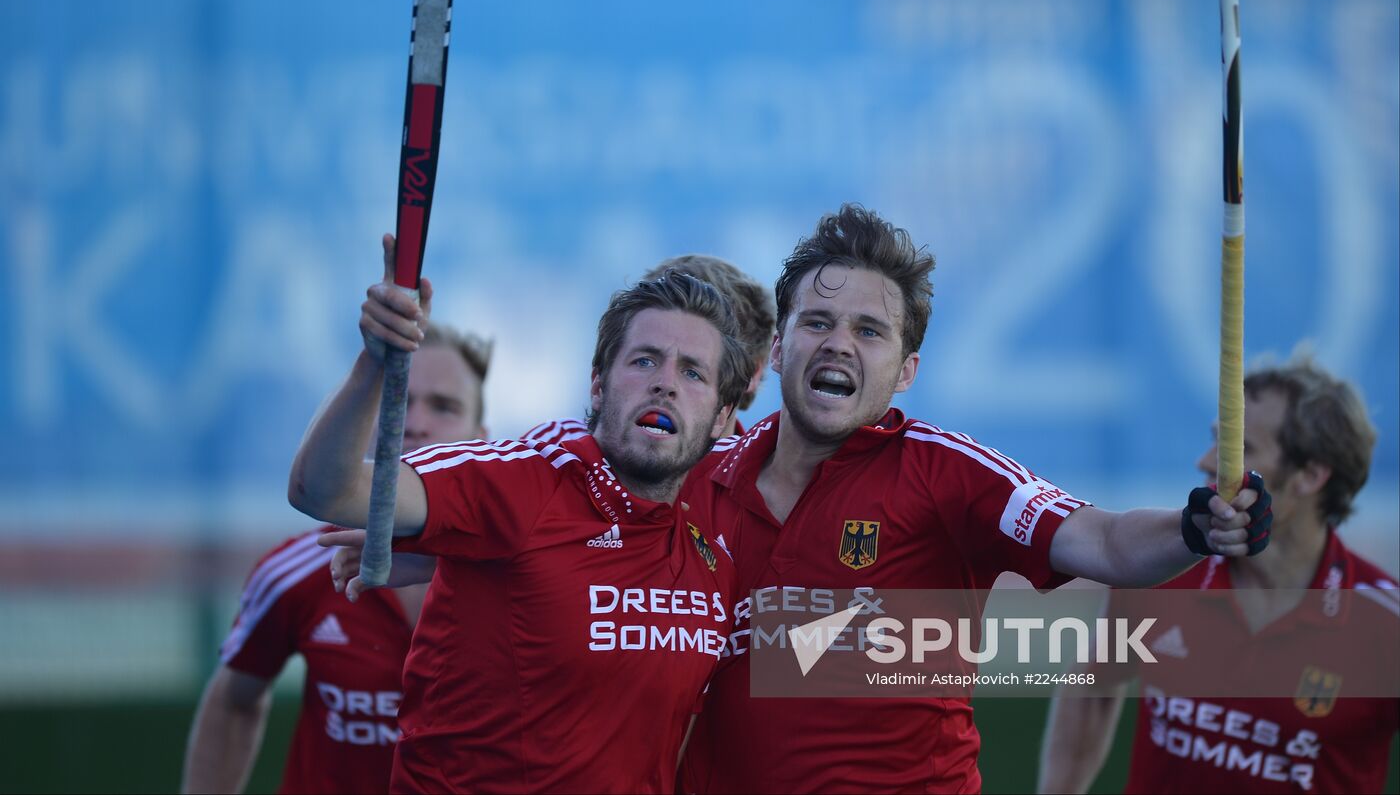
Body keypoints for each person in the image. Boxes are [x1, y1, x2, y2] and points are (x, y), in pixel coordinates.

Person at [676, 203, 1273, 794]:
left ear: (906, 370)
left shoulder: (945, 471)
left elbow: (1106, 542)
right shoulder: (697, 479)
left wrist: (1196, 528)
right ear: (778, 347)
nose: (838, 343)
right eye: (817, 322)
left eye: (868, 330)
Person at [287, 235, 749, 793]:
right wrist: (373, 363)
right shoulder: (521, 480)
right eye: (645, 360)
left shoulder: (722, 518)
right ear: (597, 386)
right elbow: (322, 490)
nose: (665, 382)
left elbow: (834, 654)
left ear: (725, 417)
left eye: (693, 372)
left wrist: (883, 666)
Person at [1037, 354, 1398, 794]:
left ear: (1310, 475)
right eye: (1215, 440)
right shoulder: (1160, 569)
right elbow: (1093, 689)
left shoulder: (1384, 624)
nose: (1207, 461)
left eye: (1238, 448)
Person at [181, 320, 493, 794]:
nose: (415, 422)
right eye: (401, 399)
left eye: (445, 406)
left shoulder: (521, 574)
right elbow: (235, 700)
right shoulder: (301, 570)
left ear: (483, 438)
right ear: (367, 429)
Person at [524, 253, 775, 445]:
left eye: (694, 367)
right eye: (647, 359)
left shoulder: (768, 483)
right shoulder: (552, 451)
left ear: (751, 374)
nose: (666, 382)